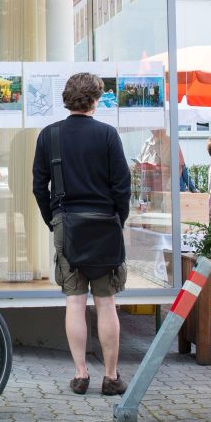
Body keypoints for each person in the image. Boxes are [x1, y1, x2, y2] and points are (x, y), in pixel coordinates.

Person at [32, 72, 130, 396]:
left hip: (67, 224)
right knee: (106, 302)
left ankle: (80, 374)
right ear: (95, 99)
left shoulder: (49, 136)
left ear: (67, 98)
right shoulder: (107, 135)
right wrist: (119, 221)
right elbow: (122, 187)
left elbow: (38, 186)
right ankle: (112, 376)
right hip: (105, 224)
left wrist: (53, 220)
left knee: (74, 302)